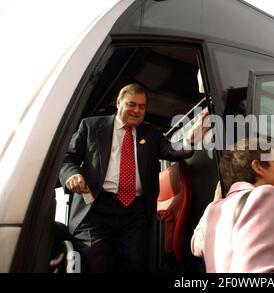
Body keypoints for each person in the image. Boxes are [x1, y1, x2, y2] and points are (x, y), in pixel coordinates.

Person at [59, 83, 208, 272]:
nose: (137, 110)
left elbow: (172, 150)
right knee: (96, 261)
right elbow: (67, 158)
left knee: (136, 264)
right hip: (96, 208)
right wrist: (73, 174)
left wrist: (190, 139)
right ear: (118, 102)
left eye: (142, 106)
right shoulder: (90, 126)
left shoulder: (151, 133)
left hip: (135, 213)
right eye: (132, 104)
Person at [191, 138, 274, 272]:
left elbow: (195, 245)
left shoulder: (213, 210)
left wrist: (214, 203)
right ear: (258, 167)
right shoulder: (263, 196)